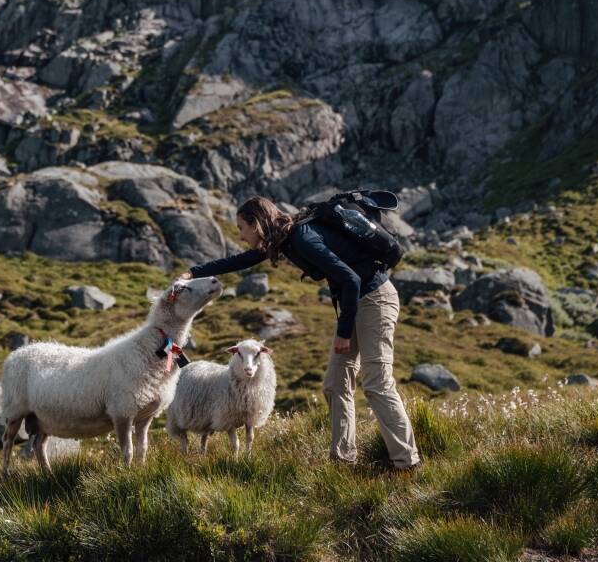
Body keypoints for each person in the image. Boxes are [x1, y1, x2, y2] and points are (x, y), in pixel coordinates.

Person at [178, 196, 421, 472]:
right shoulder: (283, 239)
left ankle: (407, 463)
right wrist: (193, 273)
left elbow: (351, 280)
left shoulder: (302, 239)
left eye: (241, 228)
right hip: (355, 303)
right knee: (335, 383)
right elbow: (240, 261)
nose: (241, 236)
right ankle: (342, 460)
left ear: (256, 224)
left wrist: (343, 332)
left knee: (377, 382)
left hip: (375, 300)